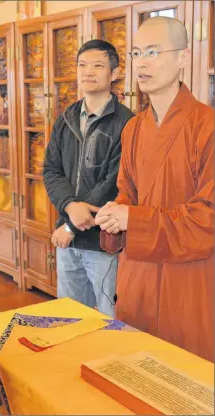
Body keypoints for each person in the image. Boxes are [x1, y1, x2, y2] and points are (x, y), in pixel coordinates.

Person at [95, 17, 214, 361]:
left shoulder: (207, 127)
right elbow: (126, 194)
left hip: (189, 280)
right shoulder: (133, 129)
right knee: (136, 368)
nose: (141, 62)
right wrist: (114, 216)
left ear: (182, 58)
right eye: (135, 53)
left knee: (185, 380)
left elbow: (207, 220)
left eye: (152, 52)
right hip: (138, 276)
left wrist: (132, 218)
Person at [43, 40, 134, 317]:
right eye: (82, 65)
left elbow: (113, 183)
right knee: (68, 318)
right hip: (68, 242)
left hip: (103, 243)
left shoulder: (127, 122)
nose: (88, 72)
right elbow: (51, 169)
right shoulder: (66, 117)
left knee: (111, 320)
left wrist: (70, 227)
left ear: (114, 73)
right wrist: (70, 207)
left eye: (97, 66)